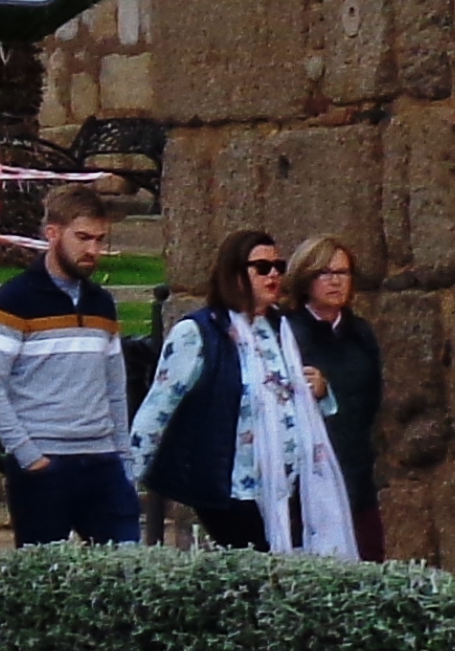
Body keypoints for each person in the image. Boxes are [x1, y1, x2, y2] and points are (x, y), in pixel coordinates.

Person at [127, 230, 356, 557]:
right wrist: (130, 477)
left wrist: (320, 391)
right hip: (230, 487)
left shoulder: (280, 329)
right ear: (235, 274)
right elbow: (159, 406)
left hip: (285, 486)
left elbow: (292, 399)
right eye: (262, 267)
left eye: (278, 265)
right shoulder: (199, 333)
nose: (274, 273)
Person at [0, 191, 140, 547]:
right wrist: (29, 455)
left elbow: (114, 387)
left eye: (99, 239)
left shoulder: (101, 303)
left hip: (102, 460)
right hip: (46, 463)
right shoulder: (15, 300)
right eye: (82, 238)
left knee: (125, 572)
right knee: (43, 580)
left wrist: (124, 460)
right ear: (52, 233)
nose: (92, 249)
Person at [286, 233, 386, 557]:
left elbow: (371, 397)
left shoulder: (360, 333)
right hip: (305, 478)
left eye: (342, 273)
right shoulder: (288, 332)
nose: (335, 282)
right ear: (305, 279)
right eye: (324, 274)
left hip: (354, 467)